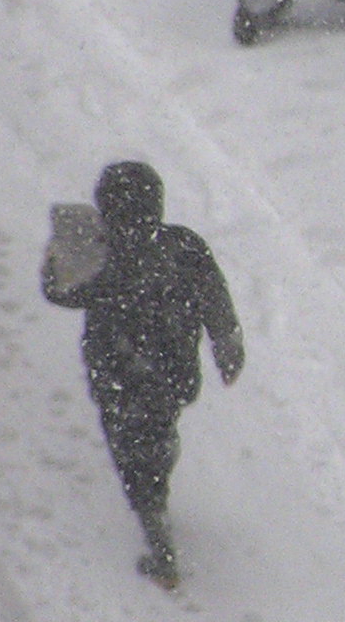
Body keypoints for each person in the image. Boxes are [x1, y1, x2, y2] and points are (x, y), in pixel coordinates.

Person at [42, 161, 244, 590]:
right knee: (155, 434)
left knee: (129, 446)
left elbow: (60, 291)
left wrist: (58, 255)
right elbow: (215, 297)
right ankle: (156, 490)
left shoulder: (100, 252)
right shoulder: (182, 245)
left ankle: (156, 531)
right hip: (172, 371)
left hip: (117, 371)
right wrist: (227, 344)